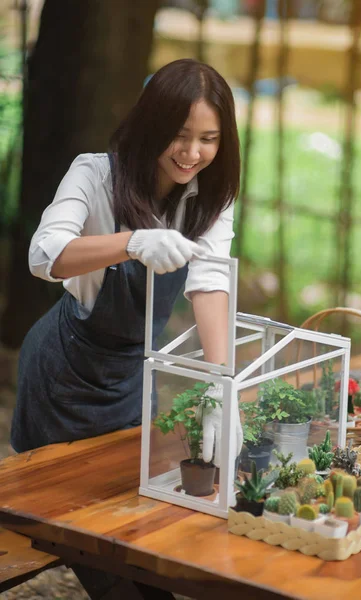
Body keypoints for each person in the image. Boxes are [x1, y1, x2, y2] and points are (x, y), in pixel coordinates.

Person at [10, 58, 243, 599]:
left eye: (208, 139)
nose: (191, 153)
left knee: (129, 524)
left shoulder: (211, 195)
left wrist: (219, 381)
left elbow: (209, 280)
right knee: (77, 529)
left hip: (132, 373)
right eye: (179, 136)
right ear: (150, 124)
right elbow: (44, 255)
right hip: (64, 372)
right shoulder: (95, 175)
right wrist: (131, 242)